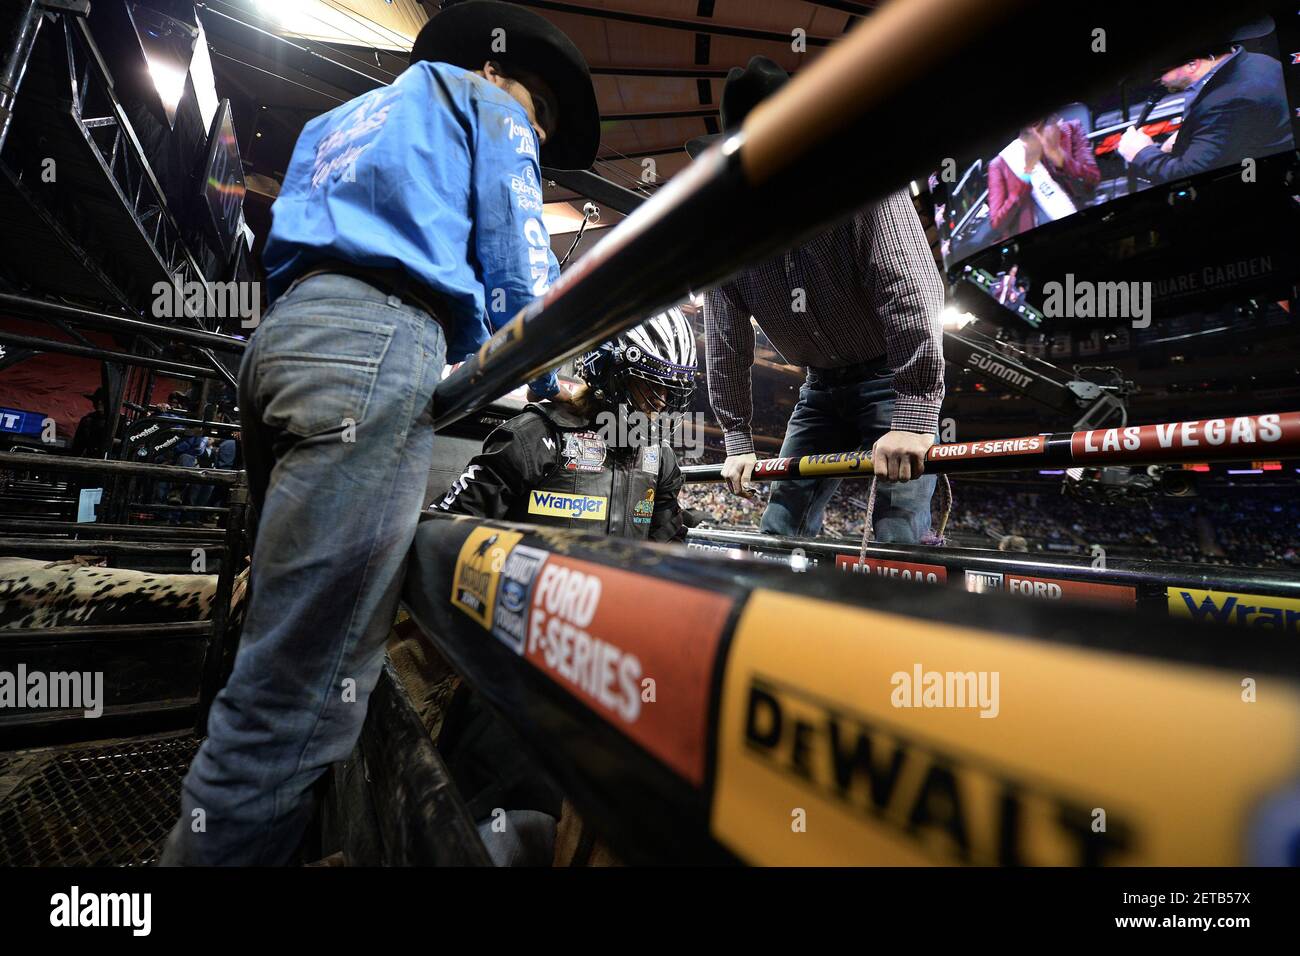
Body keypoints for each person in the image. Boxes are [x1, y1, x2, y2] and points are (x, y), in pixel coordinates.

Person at [161, 1, 600, 866]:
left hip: (282, 340)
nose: (537, 138)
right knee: (292, 708)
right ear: (499, 73)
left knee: (278, 643)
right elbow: (520, 263)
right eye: (540, 119)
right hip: (374, 350)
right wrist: (561, 375)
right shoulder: (491, 105)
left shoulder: (342, 115)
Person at [434, 310, 696, 865]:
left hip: (607, 666)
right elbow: (446, 533)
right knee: (496, 821)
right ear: (611, 373)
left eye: (668, 393)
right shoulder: (536, 435)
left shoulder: (662, 457)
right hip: (517, 662)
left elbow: (668, 556)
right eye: (650, 387)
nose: (659, 406)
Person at [687, 56, 946, 542]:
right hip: (820, 390)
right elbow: (725, 341)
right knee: (780, 528)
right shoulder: (726, 238)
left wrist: (914, 414)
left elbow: (910, 290)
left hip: (889, 378)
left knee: (899, 536)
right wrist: (739, 440)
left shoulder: (861, 189)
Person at [1117, 33, 1293, 183]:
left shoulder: (1227, 101)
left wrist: (1142, 153)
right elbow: (1237, 128)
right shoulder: (1259, 62)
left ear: (1192, 64)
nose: (1156, 79)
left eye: (1160, 71)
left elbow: (1190, 175)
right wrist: (1192, 135)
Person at [988, 116, 1099, 238]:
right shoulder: (1002, 162)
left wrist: (1060, 158)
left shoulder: (1070, 129)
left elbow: (1092, 181)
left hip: (1081, 227)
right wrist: (1026, 175)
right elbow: (997, 224)